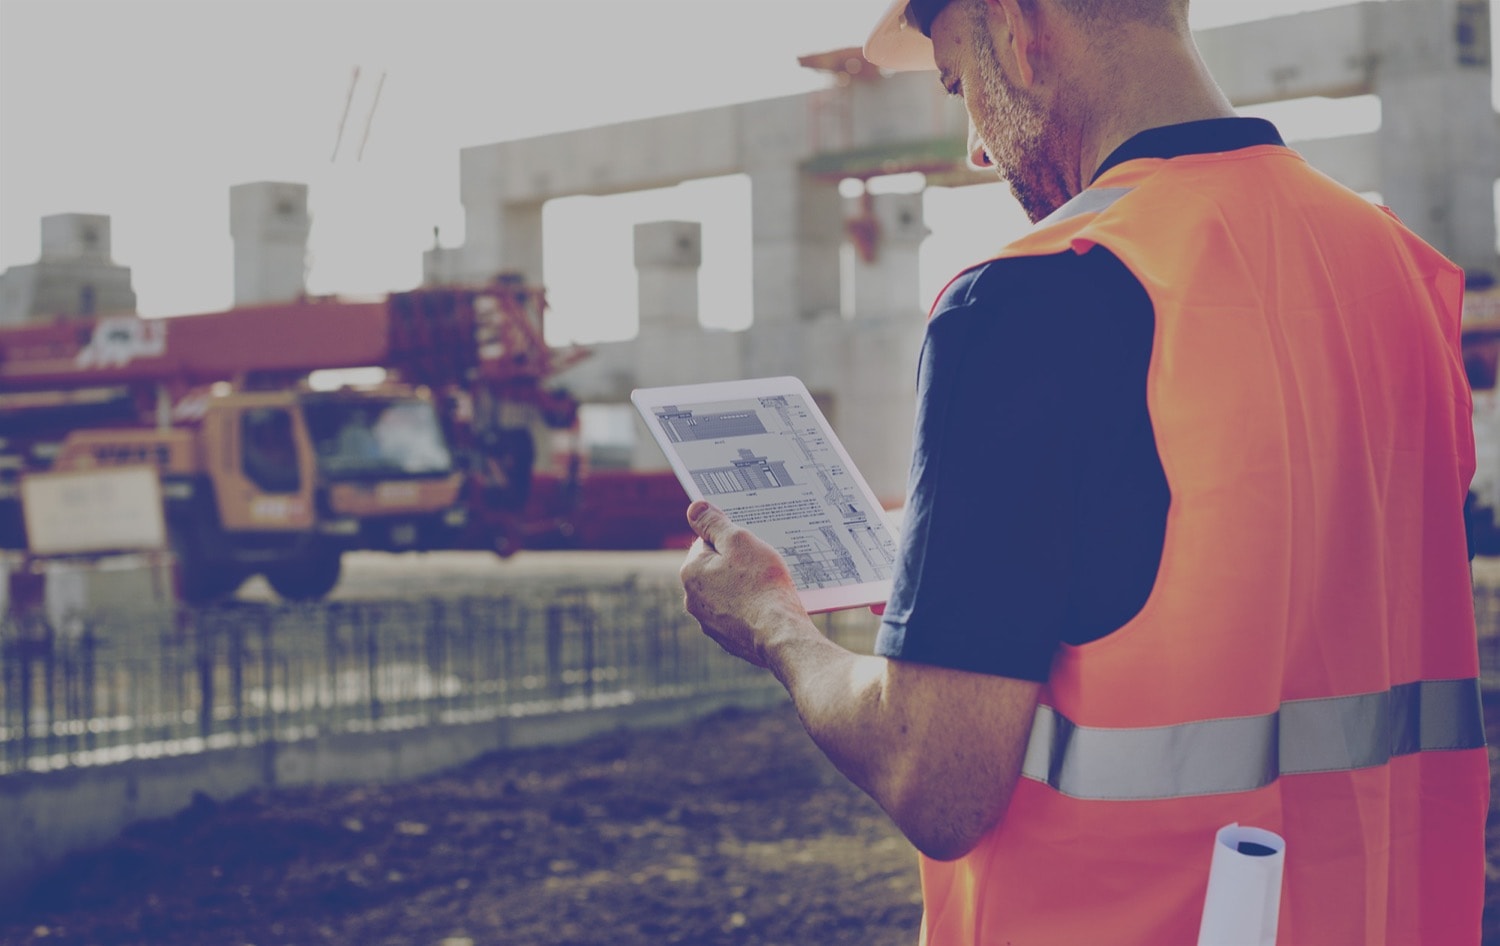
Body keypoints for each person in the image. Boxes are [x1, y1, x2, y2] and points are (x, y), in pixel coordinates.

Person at [677, 0, 1490, 943]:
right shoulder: (1395, 266)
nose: (976, 146)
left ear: (1019, 29)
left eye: (959, 83)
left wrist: (775, 620)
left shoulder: (1032, 298)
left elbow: (934, 777)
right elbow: (1265, 563)